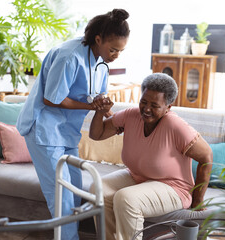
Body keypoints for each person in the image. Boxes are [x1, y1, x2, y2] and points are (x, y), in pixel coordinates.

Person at [16, 9, 130, 240]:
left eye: (121, 50)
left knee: (76, 191)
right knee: (62, 197)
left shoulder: (102, 65)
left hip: (68, 133)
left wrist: (108, 109)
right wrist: (91, 107)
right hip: (45, 131)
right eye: (113, 49)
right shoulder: (69, 56)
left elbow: (97, 101)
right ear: (98, 39)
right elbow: (51, 98)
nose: (116, 55)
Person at [89, 72, 213, 240]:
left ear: (168, 107)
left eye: (154, 105)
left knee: (126, 198)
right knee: (98, 187)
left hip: (174, 187)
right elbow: (97, 134)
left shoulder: (175, 126)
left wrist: (198, 202)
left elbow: (206, 156)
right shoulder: (131, 116)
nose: (146, 109)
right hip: (138, 177)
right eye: (144, 102)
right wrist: (99, 112)